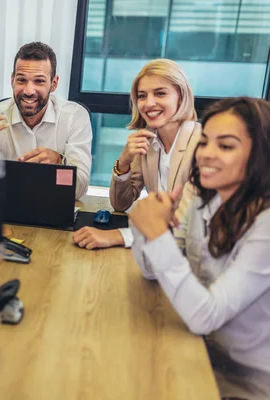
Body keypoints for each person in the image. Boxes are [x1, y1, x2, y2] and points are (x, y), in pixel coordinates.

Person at [130, 97, 270, 400]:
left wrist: (156, 235)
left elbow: (206, 315)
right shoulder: (204, 198)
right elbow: (152, 270)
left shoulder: (266, 225)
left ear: (261, 156)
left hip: (242, 385)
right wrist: (145, 227)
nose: (206, 154)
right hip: (199, 351)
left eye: (226, 146)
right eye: (204, 142)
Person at [73, 59, 200, 250]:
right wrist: (123, 162)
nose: (149, 103)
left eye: (160, 93)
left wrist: (118, 236)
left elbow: (189, 224)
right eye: (142, 96)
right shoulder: (149, 141)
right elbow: (120, 204)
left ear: (180, 97)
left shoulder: (201, 144)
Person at [0, 41, 92, 199]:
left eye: (39, 81)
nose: (29, 91)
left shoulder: (74, 117)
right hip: (7, 210)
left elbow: (79, 191)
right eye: (21, 80)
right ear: (12, 80)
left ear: (54, 84)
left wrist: (60, 162)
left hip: (54, 207)